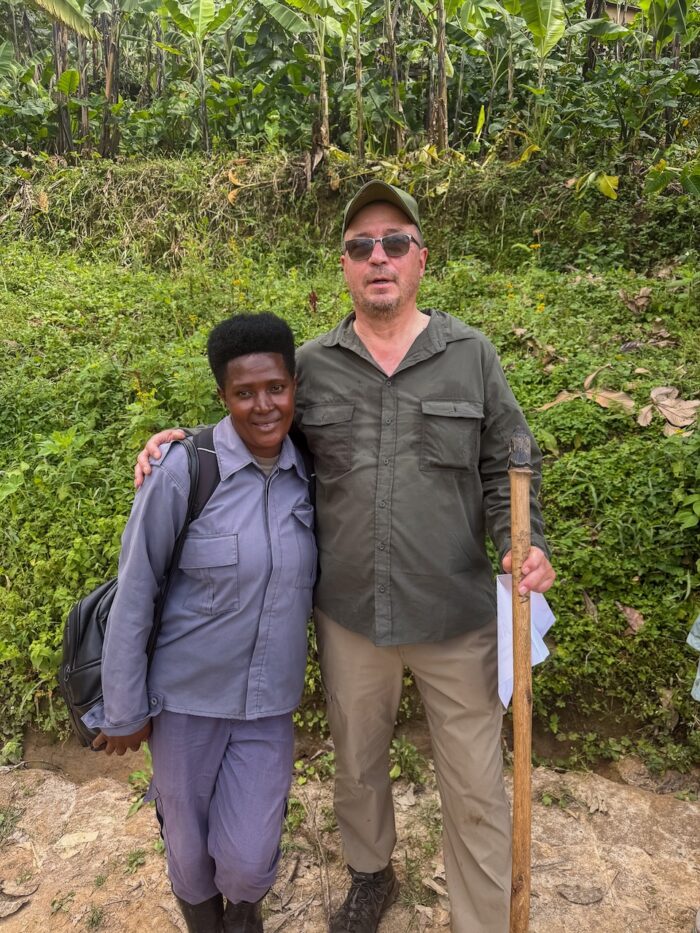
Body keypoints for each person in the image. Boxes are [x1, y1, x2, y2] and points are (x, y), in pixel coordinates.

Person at [136, 182, 556, 933]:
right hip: (350, 613)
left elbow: (508, 465)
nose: (379, 257)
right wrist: (181, 443)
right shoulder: (312, 365)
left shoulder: (471, 357)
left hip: (455, 614)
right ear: (345, 267)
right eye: (362, 247)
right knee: (358, 766)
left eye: (394, 242)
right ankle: (371, 874)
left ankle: (485, 919)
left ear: (421, 258)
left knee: (475, 783)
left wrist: (525, 547)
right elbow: (257, 428)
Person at [86, 313, 317, 933]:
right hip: (185, 703)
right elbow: (135, 594)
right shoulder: (183, 471)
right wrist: (124, 711)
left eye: (276, 388)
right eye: (244, 393)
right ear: (223, 397)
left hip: (267, 706)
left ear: (295, 385)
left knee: (245, 861)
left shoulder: (315, 472)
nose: (263, 405)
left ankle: (243, 915)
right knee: (189, 861)